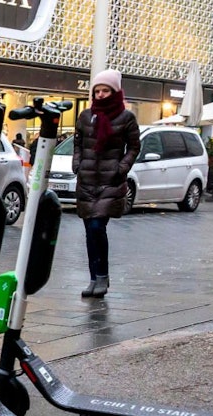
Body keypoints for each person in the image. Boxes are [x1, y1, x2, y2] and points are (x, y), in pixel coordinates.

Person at [72, 69, 140, 298]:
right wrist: (77, 164)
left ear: (115, 91)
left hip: (110, 182)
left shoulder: (126, 117)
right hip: (87, 181)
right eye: (97, 91)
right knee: (90, 232)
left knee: (96, 227)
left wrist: (121, 169)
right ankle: (94, 278)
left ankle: (101, 277)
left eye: (105, 90)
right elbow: (78, 143)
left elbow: (134, 147)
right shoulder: (85, 116)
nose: (100, 94)